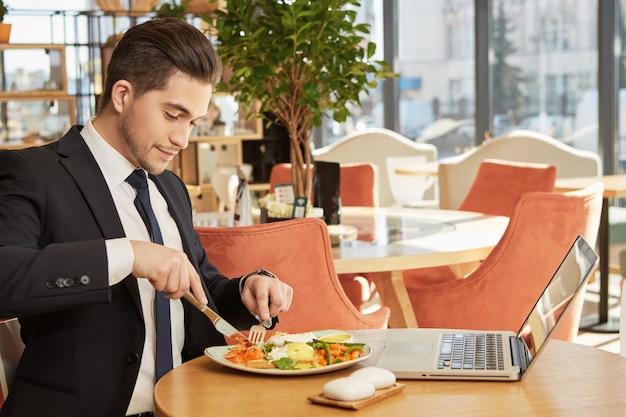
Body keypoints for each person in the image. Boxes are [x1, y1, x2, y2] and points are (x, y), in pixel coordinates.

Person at [0, 18, 293, 417]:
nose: (183, 139)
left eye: (193, 122)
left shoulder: (171, 187)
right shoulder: (33, 173)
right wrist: (129, 255)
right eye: (173, 115)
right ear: (122, 94)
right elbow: (5, 277)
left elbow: (199, 289)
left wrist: (245, 290)